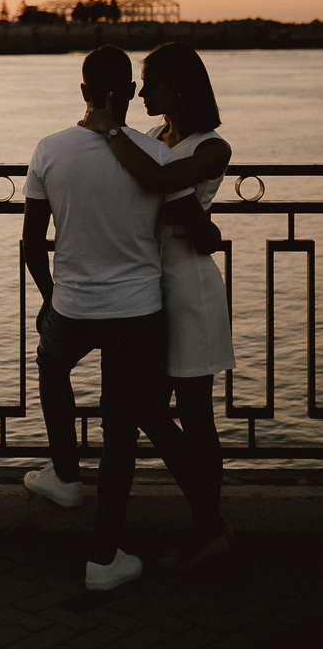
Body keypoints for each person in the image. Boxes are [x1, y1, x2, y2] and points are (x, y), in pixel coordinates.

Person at [22, 45, 216, 592]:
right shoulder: (153, 156)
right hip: (139, 311)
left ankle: (64, 473)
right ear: (131, 94)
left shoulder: (50, 151)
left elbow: (33, 245)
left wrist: (50, 297)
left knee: (50, 359)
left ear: (84, 92)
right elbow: (184, 217)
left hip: (74, 307)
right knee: (120, 430)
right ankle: (103, 557)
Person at [78, 41, 234, 567]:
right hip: (148, 291)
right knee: (145, 405)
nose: (141, 91)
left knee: (195, 413)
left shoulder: (213, 147)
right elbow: (154, 196)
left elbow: (162, 181)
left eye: (152, 82)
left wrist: (110, 130)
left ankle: (207, 528)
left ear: (180, 85)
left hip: (190, 293)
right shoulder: (149, 138)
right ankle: (209, 519)